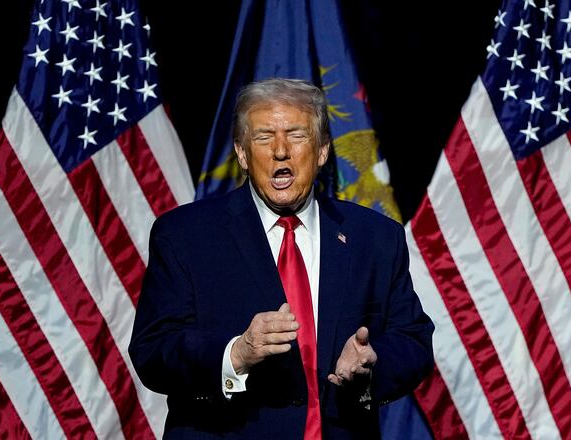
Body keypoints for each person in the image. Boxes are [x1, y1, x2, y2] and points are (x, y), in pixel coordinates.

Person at [129, 78, 434, 439]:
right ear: (242, 153)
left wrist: (372, 365)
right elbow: (153, 349)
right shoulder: (184, 235)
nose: (280, 151)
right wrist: (235, 354)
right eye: (263, 137)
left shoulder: (376, 237)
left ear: (322, 150)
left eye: (296, 135)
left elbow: (412, 339)